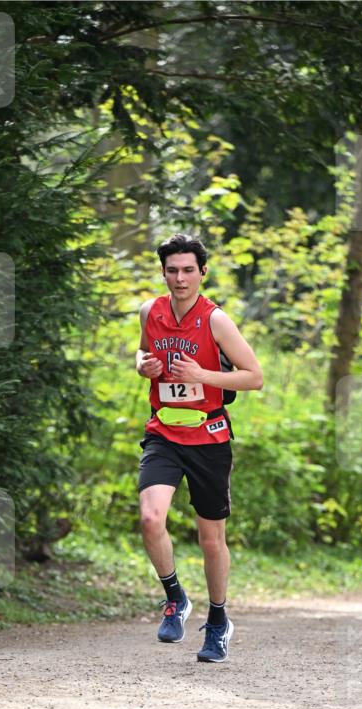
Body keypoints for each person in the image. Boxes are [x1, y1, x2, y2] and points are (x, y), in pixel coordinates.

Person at [136, 233, 263, 663]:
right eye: (172, 270)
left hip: (209, 438)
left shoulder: (215, 321)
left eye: (188, 270)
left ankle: (219, 621)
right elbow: (141, 355)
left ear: (202, 273)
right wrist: (144, 366)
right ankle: (175, 597)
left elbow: (254, 376)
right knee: (151, 518)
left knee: (211, 540)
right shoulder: (149, 312)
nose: (180, 278)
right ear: (163, 273)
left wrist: (203, 376)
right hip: (164, 432)